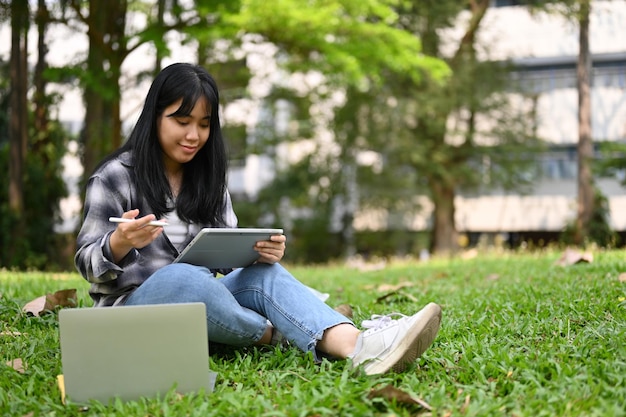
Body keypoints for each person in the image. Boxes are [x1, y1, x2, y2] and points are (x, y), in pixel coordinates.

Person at [74, 62, 442, 376]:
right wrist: (119, 243)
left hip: (203, 309)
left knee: (262, 275)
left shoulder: (208, 180)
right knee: (182, 278)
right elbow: (86, 263)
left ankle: (359, 347)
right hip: (133, 315)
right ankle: (276, 331)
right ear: (154, 117)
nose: (193, 135)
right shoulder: (115, 176)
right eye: (181, 121)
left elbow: (224, 260)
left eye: (203, 124)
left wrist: (257, 252)